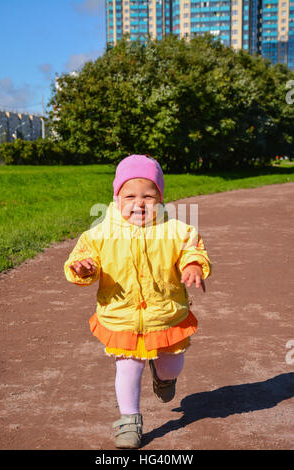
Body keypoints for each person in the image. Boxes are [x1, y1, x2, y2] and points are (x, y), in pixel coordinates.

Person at [64, 154, 212, 449]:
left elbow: (192, 249)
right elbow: (81, 257)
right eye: (129, 195)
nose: (139, 202)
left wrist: (193, 264)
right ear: (116, 198)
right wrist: (82, 267)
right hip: (121, 317)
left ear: (161, 196)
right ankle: (128, 420)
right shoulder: (100, 234)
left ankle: (165, 377)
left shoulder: (176, 231)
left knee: (172, 365)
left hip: (165, 317)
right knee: (128, 366)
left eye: (149, 195)